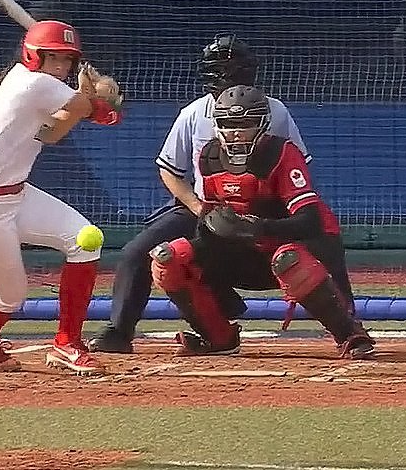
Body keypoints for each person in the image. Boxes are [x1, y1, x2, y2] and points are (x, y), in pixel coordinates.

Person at [89, 34, 311, 353]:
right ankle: (119, 332)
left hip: (259, 210)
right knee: (138, 254)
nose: (230, 77)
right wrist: (198, 207)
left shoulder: (275, 112)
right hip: (203, 207)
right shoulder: (194, 113)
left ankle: (346, 327)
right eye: (223, 70)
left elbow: (296, 165)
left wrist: (272, 215)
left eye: (236, 69)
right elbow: (169, 168)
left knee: (314, 246)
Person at [149, 84, 374, 359]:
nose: (236, 132)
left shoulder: (282, 154)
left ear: (263, 124)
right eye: (229, 124)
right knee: (169, 258)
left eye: (245, 124)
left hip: (300, 248)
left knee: (288, 260)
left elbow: (311, 221)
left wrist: (258, 228)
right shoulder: (208, 158)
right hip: (245, 253)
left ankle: (348, 333)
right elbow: (208, 223)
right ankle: (218, 336)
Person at [0, 20, 122, 376]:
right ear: (33, 56)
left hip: (17, 195)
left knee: (84, 239)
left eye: (65, 61)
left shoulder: (38, 86)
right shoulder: (32, 84)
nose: (59, 68)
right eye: (53, 59)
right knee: (11, 296)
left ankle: (66, 343)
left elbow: (53, 133)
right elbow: (105, 116)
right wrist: (99, 97)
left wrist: (86, 100)